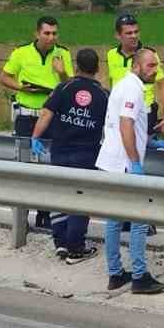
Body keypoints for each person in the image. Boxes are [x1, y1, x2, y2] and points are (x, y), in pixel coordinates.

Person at [94, 47, 164, 295]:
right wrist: (135, 162)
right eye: (150, 66)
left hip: (111, 161)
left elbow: (124, 125)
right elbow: (126, 124)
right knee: (139, 219)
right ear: (137, 66)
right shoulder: (134, 89)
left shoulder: (125, 84)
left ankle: (115, 273)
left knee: (114, 219)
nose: (155, 71)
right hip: (124, 164)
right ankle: (139, 276)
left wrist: (147, 140)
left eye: (156, 66)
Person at [31, 47, 108, 264]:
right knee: (80, 199)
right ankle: (75, 247)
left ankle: (61, 243)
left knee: (60, 195)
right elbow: (111, 126)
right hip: (87, 154)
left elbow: (46, 113)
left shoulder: (64, 87)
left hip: (60, 151)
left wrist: (35, 137)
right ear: (98, 68)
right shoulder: (103, 95)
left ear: (76, 67)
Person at [0, 15, 73, 231]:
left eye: (54, 33)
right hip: (26, 115)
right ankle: (21, 215)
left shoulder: (63, 53)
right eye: (47, 33)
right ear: (37, 33)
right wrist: (21, 88)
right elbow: (4, 78)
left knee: (50, 165)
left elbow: (68, 86)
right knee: (25, 166)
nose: (51, 37)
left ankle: (45, 214)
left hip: (50, 116)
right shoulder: (21, 52)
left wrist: (62, 73)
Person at [105, 11, 164, 142]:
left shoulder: (148, 55)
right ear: (118, 35)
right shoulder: (111, 55)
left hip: (144, 112)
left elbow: (163, 84)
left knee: (141, 150)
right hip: (118, 112)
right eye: (129, 33)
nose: (134, 36)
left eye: (136, 32)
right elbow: (113, 82)